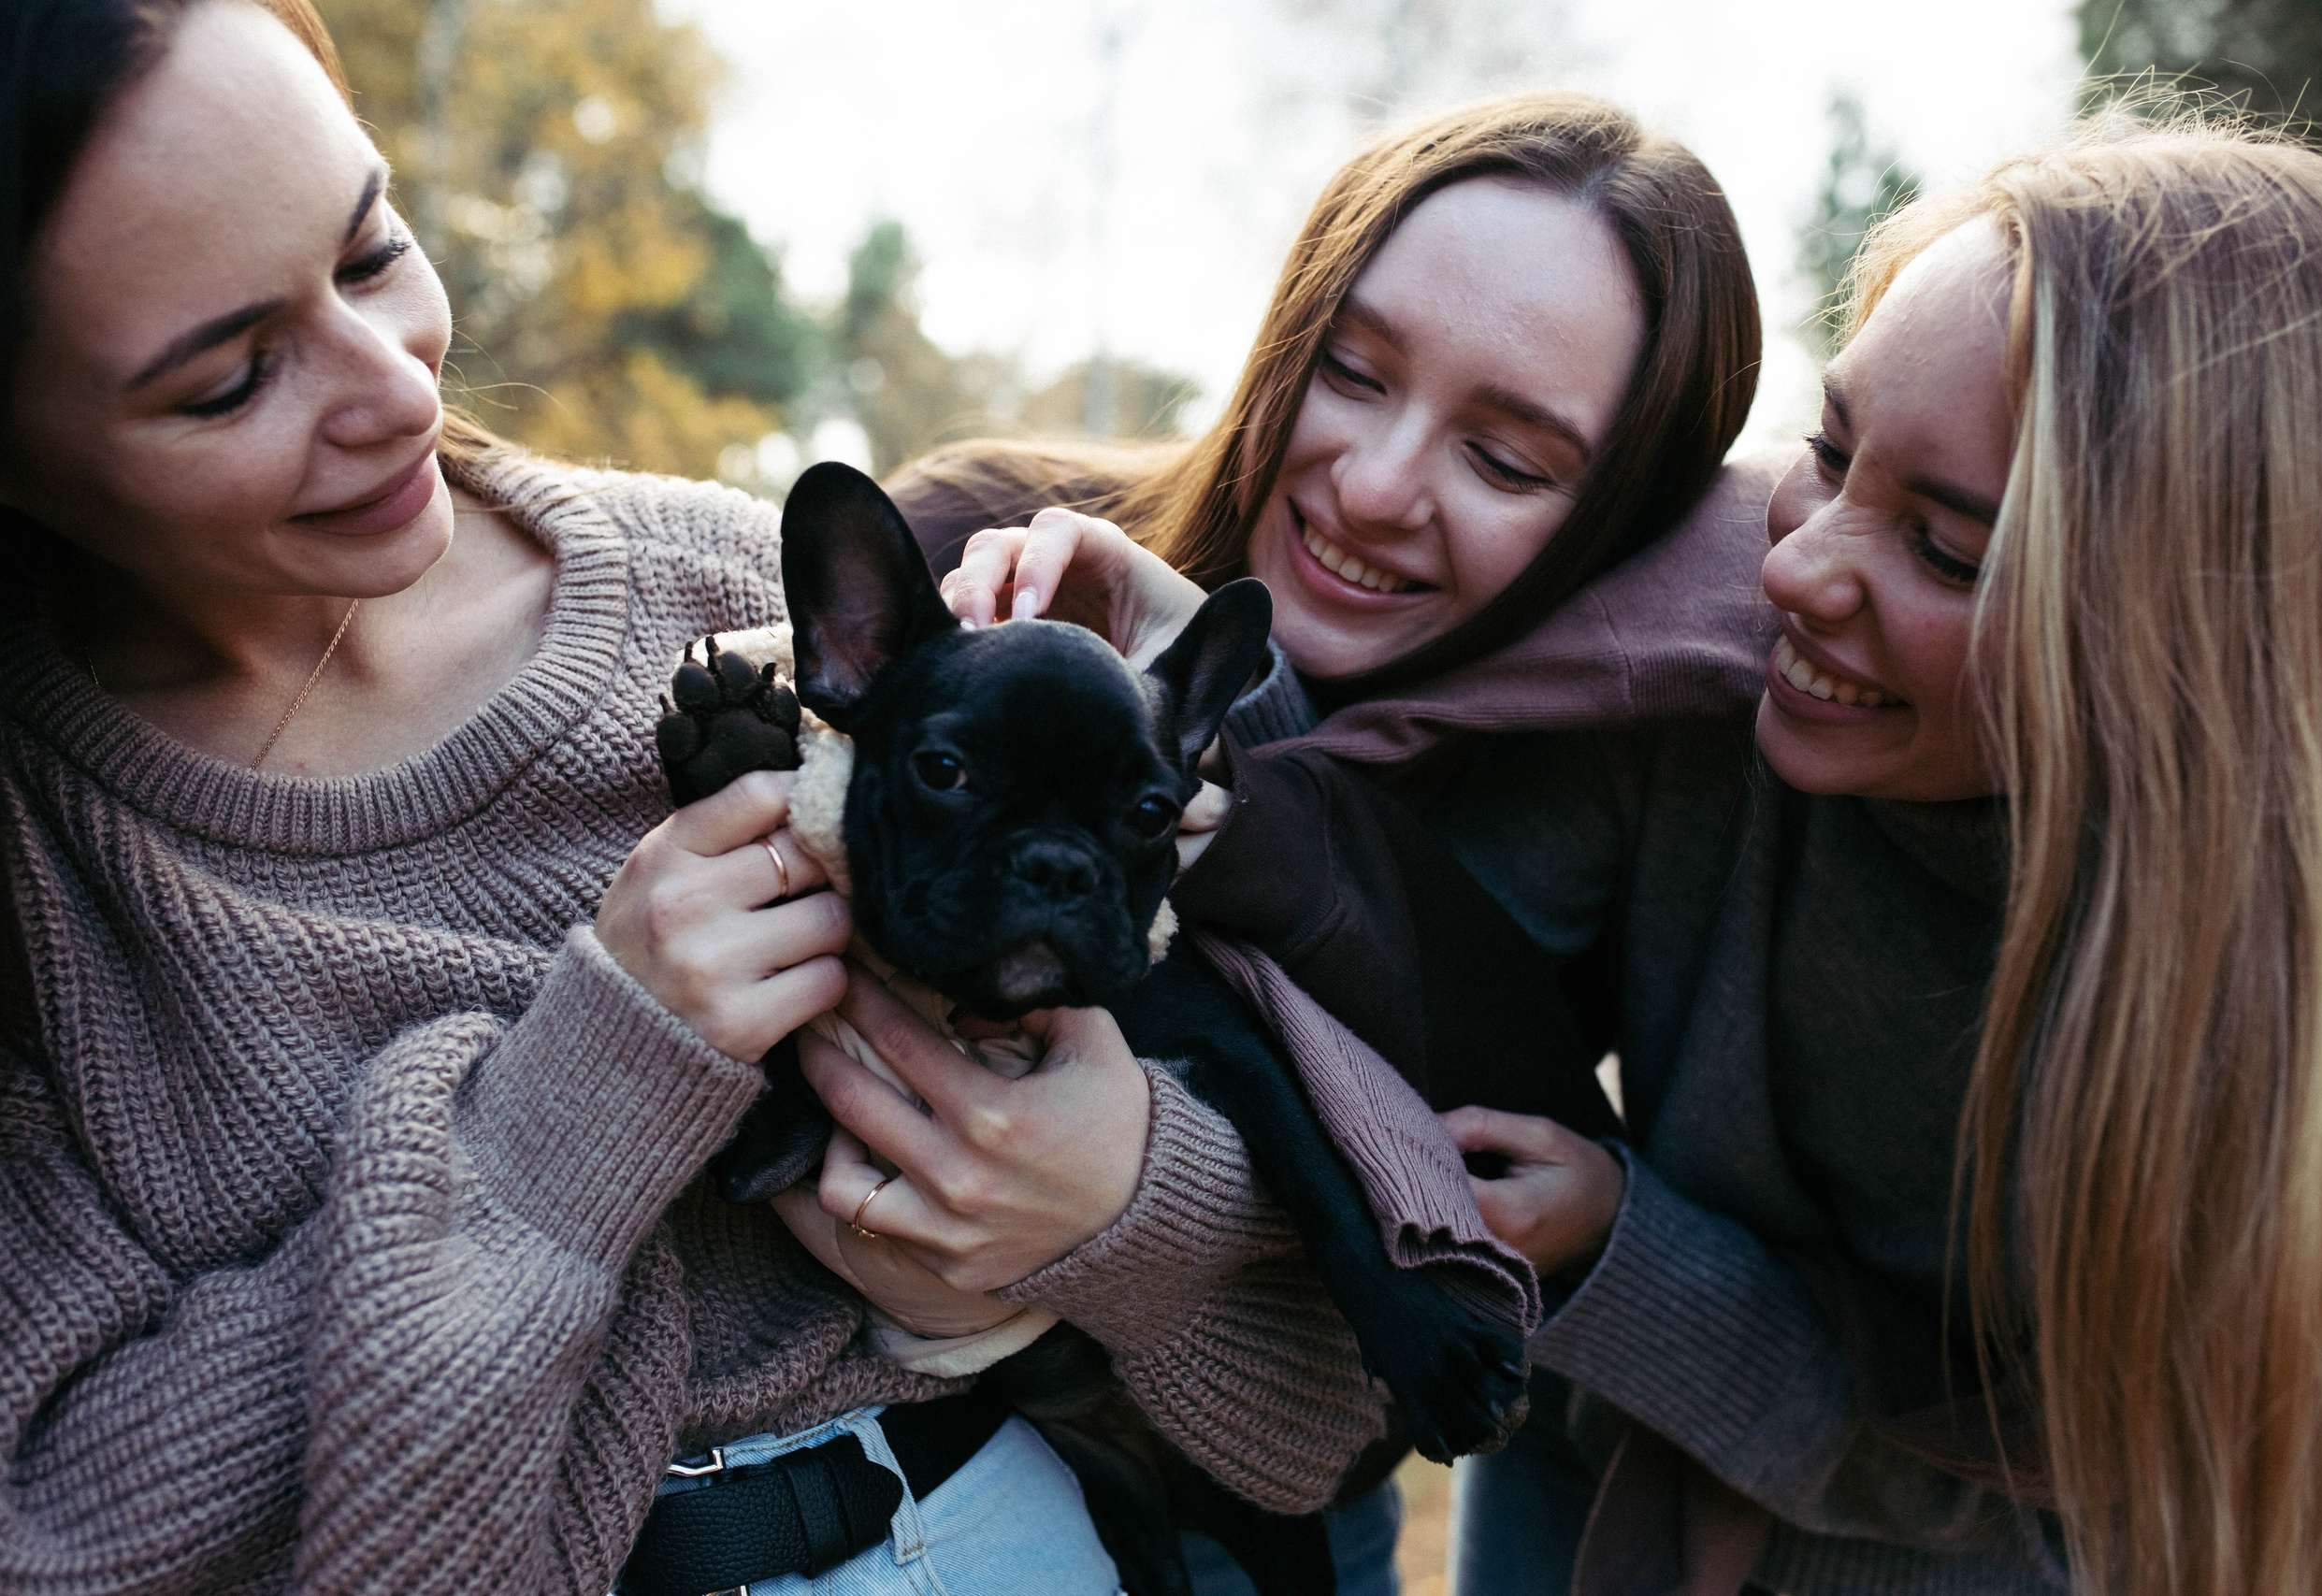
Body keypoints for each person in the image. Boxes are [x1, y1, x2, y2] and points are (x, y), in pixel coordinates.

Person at [0, 3, 1393, 1591]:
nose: (391, 387)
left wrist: (1125, 1198)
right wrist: (556, 1131)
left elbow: (1343, 1375)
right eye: (234, 377)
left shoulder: (737, 591)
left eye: (375, 251)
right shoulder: (41, 872)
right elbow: (58, 1529)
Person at [968, 112, 2322, 1596]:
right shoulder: (1711, 674)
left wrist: (1642, 1269)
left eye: (1952, 553)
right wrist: (1192, 690)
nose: (1795, 570)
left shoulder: (2306, 1021)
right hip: (1586, 1465)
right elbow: (1396, 954)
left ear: (2212, 660)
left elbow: (2092, 1474)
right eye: (1830, 453)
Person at [898, 91, 1768, 1591]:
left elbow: (1492, 1266)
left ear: (1618, 521)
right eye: (1350, 372)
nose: (1371, 486)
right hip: (890, 1490)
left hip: (1285, 1519)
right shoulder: (976, 553)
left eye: (1508, 463)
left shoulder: (1601, 785)